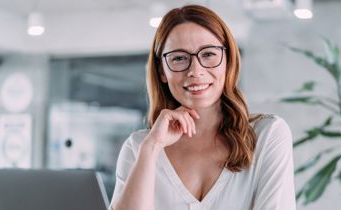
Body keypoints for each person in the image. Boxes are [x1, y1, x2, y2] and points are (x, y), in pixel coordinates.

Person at [110, 4, 296, 210]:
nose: (195, 71)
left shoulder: (267, 135)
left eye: (208, 54)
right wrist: (151, 147)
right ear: (162, 71)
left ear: (228, 61)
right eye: (179, 58)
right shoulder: (139, 147)